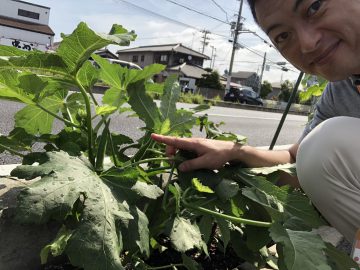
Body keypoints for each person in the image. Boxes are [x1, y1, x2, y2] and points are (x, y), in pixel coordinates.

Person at [152, 0, 360, 243]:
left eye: (314, 7)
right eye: (282, 35)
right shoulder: (339, 91)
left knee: (328, 143)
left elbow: (324, 152)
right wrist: (235, 153)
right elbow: (299, 158)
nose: (307, 43)